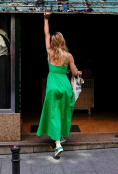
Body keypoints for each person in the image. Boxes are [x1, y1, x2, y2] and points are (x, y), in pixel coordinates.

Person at [37, 12, 78, 157]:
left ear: (53, 43)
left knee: (54, 113)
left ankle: (57, 144)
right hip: (65, 87)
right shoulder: (69, 56)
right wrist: (76, 71)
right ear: (63, 41)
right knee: (63, 112)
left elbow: (46, 35)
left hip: (53, 87)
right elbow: (74, 73)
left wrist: (46, 19)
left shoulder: (50, 53)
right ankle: (60, 137)